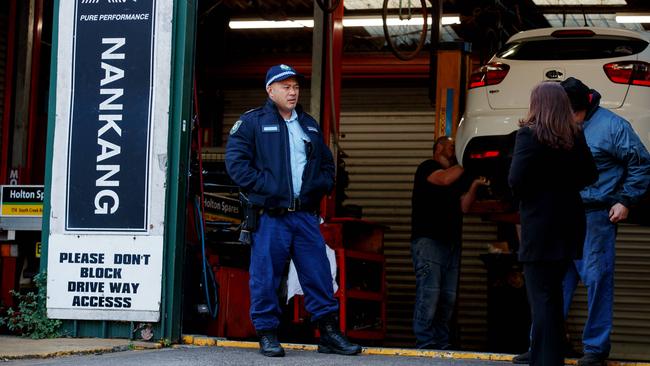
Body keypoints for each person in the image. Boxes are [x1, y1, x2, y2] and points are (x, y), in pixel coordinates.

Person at [225, 64, 362, 357]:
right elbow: (236, 165)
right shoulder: (252, 123)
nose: (292, 92)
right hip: (271, 216)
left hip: (304, 216)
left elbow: (327, 164)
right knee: (266, 276)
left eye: (296, 87)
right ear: (270, 90)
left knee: (319, 274)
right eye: (285, 86)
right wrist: (268, 188)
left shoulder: (309, 125)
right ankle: (267, 334)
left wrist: (320, 185)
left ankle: (328, 334)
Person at [560, 77, 650, 366]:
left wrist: (625, 200)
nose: (568, 118)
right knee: (552, 281)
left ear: (586, 104)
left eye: (571, 112)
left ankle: (595, 350)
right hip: (562, 215)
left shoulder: (613, 127)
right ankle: (542, 342)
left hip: (596, 216)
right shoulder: (561, 122)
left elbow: (641, 164)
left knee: (597, 281)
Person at [509, 82, 598, 366]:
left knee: (542, 298)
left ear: (538, 104)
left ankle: (545, 361)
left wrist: (535, 192)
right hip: (570, 224)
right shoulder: (575, 136)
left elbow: (516, 181)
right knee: (553, 296)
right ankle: (548, 358)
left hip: (539, 226)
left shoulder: (528, 135)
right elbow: (590, 175)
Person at [410, 135, 489, 350]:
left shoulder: (458, 175)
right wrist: (467, 160)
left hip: (451, 243)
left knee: (447, 298)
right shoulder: (428, 167)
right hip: (429, 242)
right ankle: (425, 343)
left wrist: (473, 185)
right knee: (430, 293)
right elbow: (444, 179)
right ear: (438, 148)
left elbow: (464, 206)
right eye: (452, 146)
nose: (455, 149)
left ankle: (441, 344)